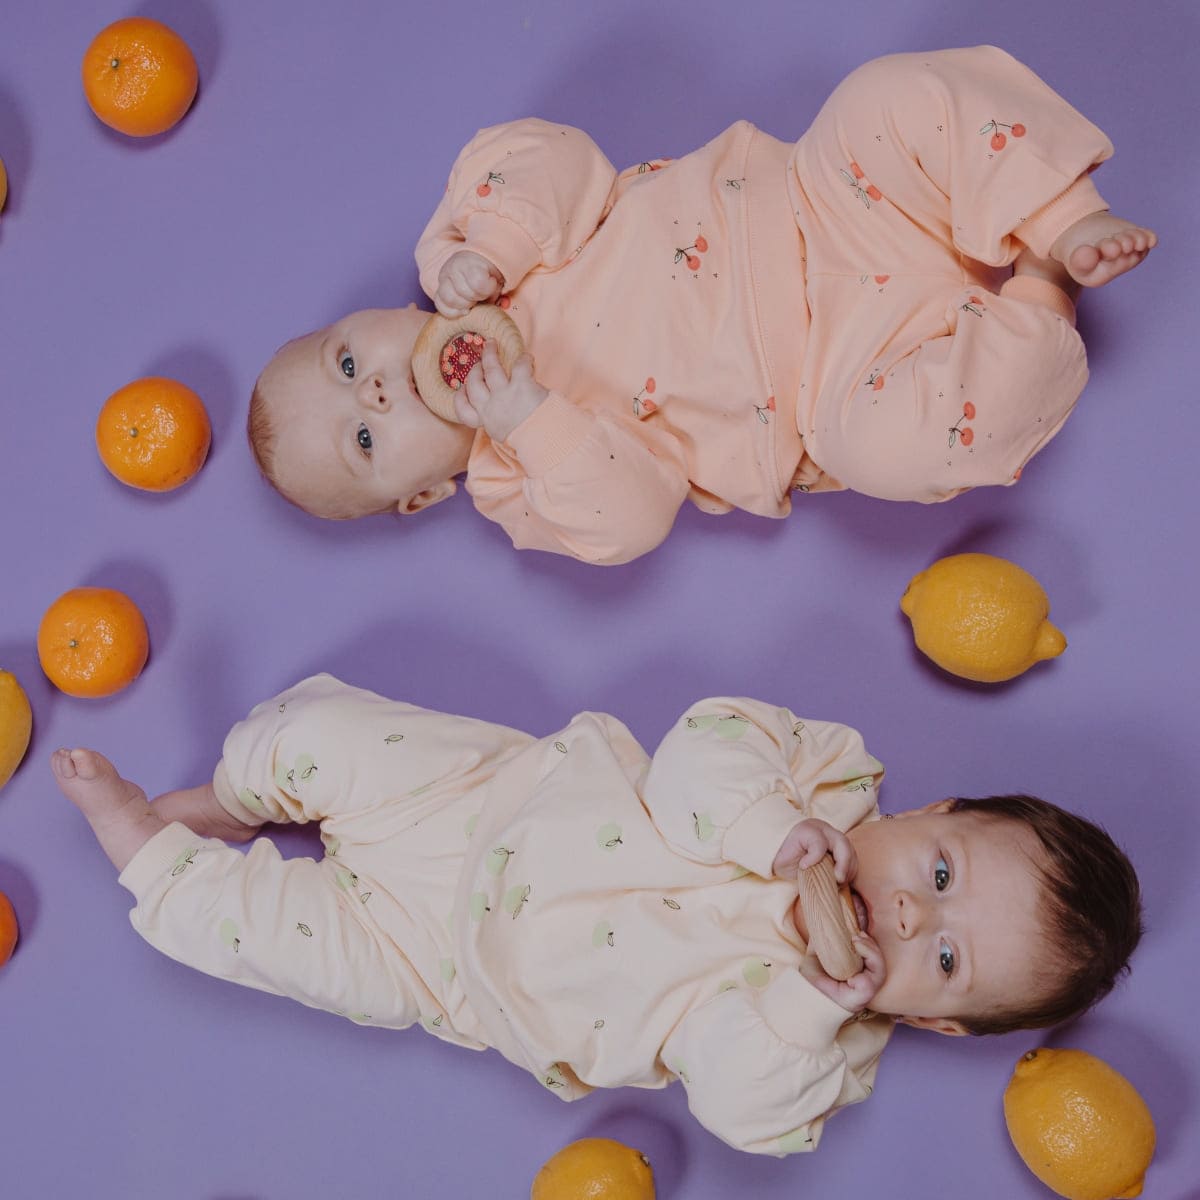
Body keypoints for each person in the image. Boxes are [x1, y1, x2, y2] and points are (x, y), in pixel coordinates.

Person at [52, 674, 1142, 1156]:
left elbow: (733, 1101)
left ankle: (143, 844)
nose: (903, 914)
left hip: (448, 971)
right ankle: (239, 793)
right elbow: (703, 745)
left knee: (261, 942)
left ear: (933, 1024)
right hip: (482, 799)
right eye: (940, 874)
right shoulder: (823, 780)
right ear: (936, 810)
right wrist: (767, 827)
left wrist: (809, 1007)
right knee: (324, 731)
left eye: (942, 958)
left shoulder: (824, 1053)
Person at [248, 46, 1155, 564]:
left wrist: (490, 246)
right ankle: (1043, 287)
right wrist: (529, 418)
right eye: (364, 439)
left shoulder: (470, 251)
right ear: (422, 497)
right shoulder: (509, 484)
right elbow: (634, 517)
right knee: (894, 451)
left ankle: (1058, 213)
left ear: (374, 320)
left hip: (822, 203)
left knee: (882, 99)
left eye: (344, 363)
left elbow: (551, 153)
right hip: (834, 383)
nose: (371, 392)